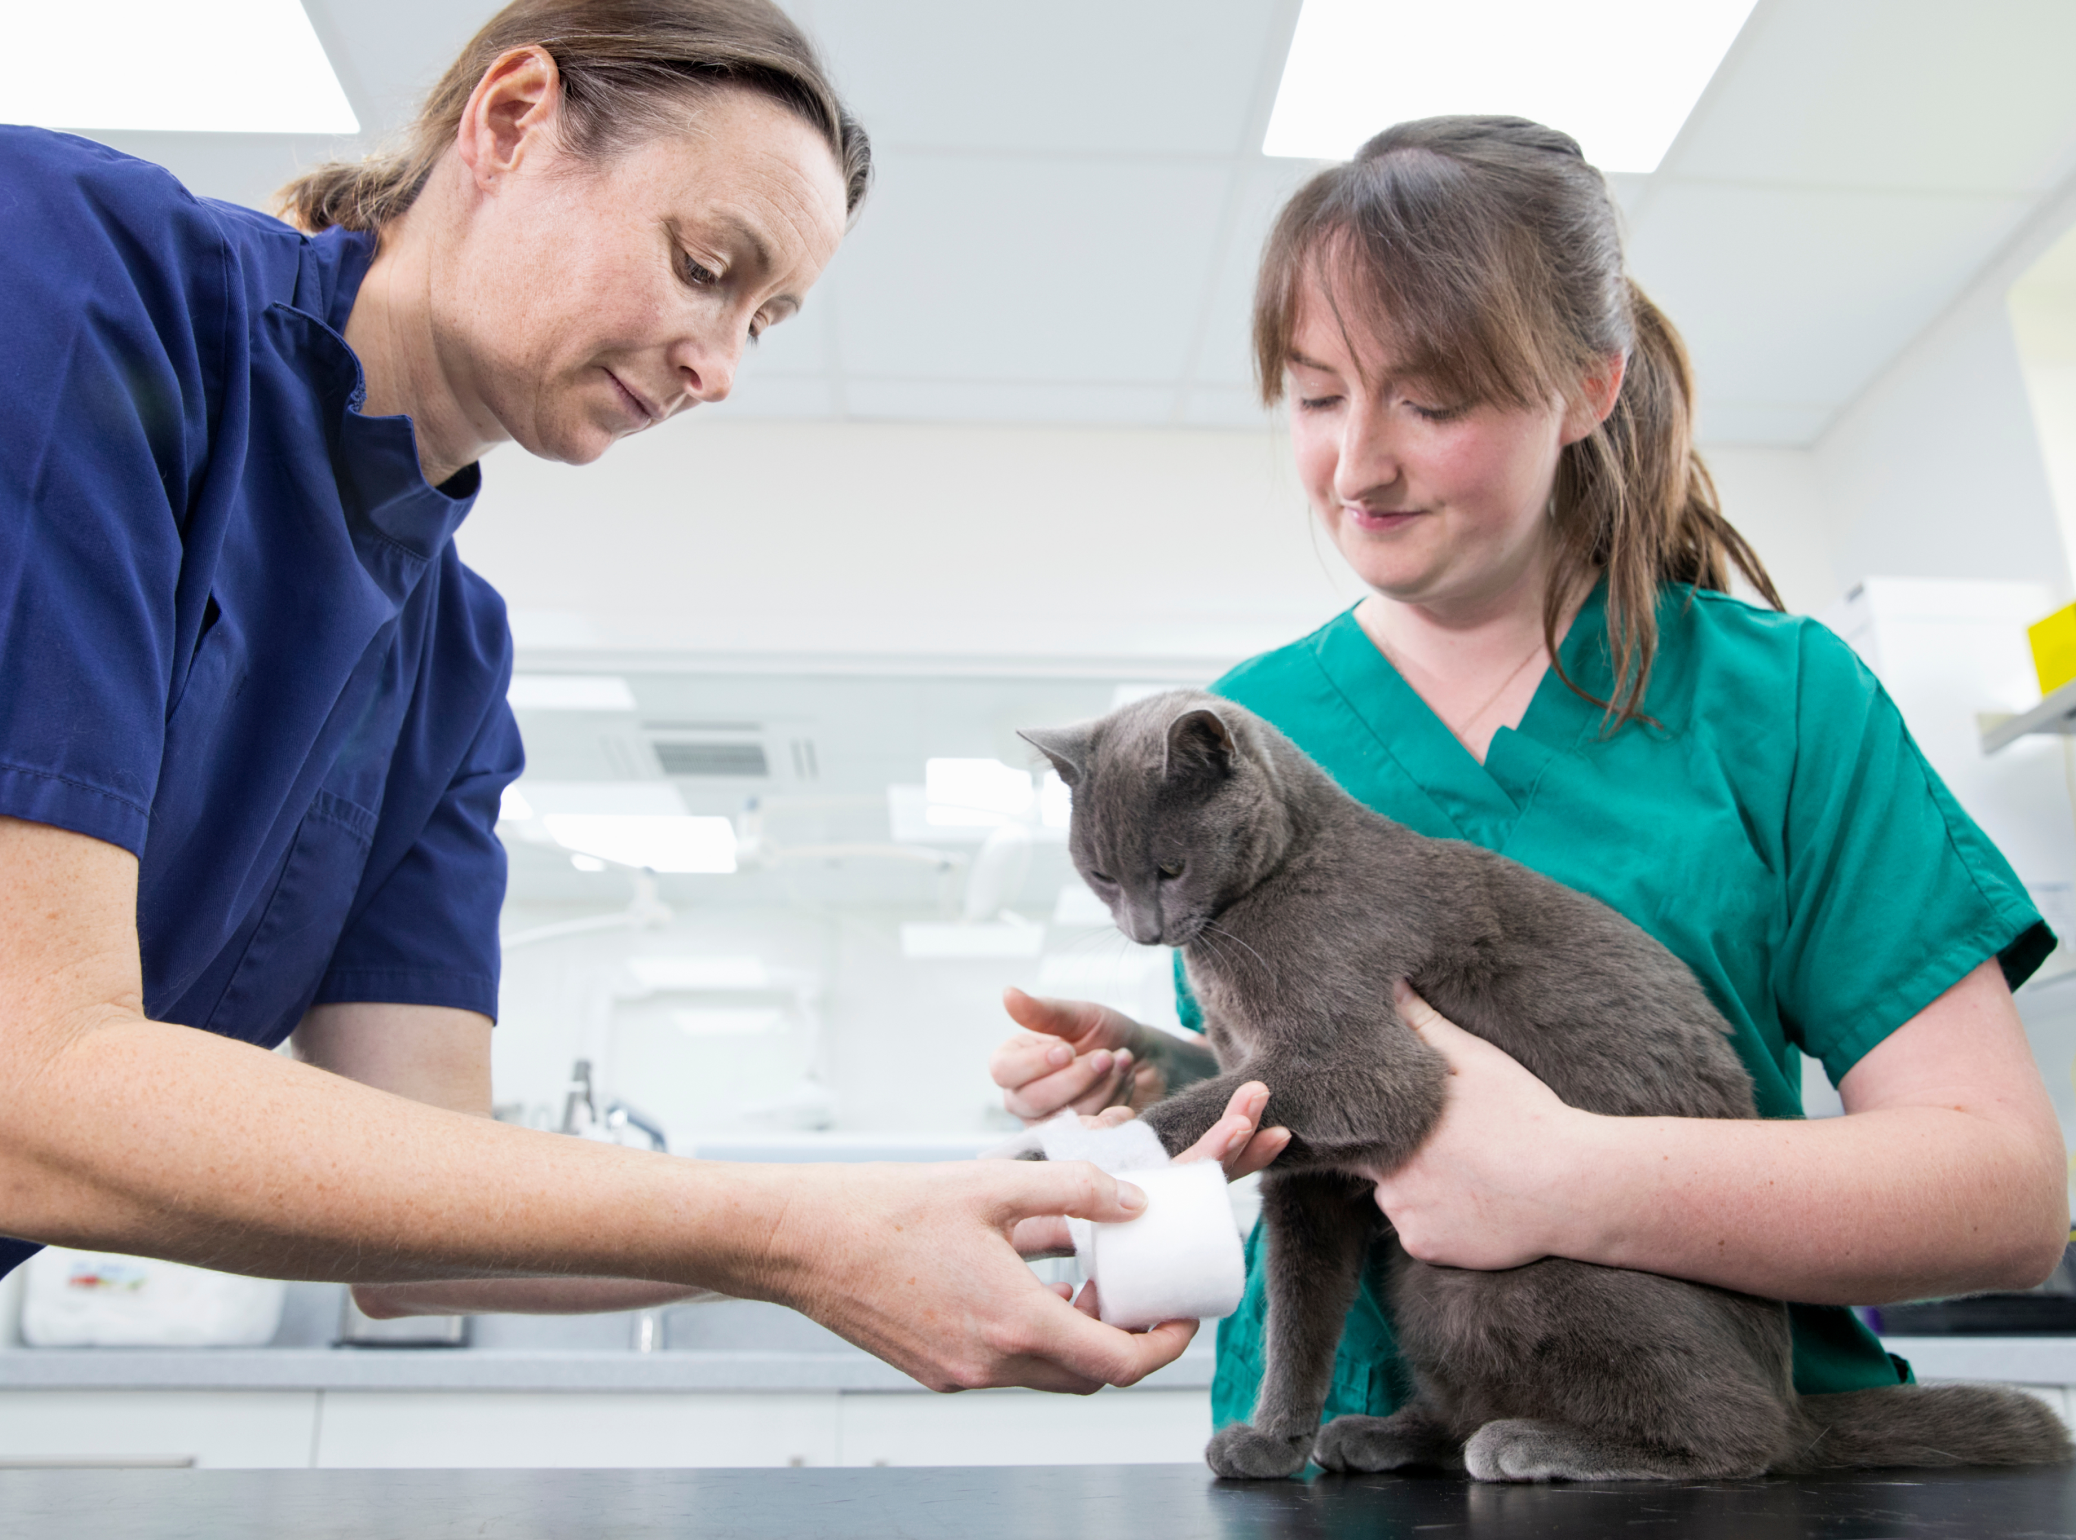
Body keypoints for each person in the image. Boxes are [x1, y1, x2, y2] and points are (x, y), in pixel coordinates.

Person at [0, 0, 1278, 1395]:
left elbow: (425, 1235)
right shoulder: (73, 274)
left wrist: (1009, 1190)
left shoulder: (448, 665)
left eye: (765, 317)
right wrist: (791, 1236)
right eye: (704, 264)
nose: (719, 367)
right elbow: (31, 1081)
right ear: (511, 120)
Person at [992, 115, 2071, 1431]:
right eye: (1319, 394)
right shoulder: (1242, 737)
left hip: (1702, 1450)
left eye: (1431, 401)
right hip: (1348, 1463)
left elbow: (2009, 1199)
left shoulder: (1780, 704)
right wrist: (1174, 1082)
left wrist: (1576, 1177)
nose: (1356, 464)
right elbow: (1347, 1103)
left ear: (1588, 388)